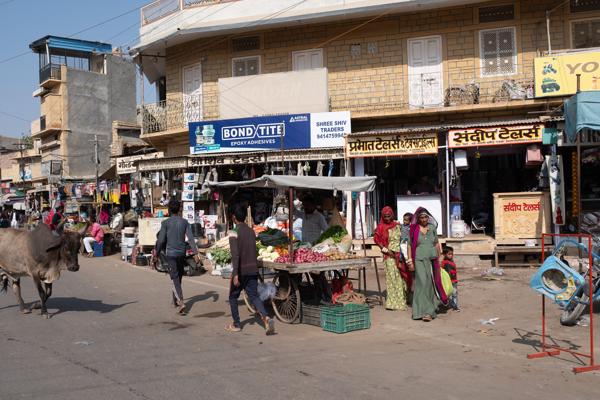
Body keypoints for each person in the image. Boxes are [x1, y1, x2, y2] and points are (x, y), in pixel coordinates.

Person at [225, 205, 275, 335]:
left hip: (241, 271)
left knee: (232, 297)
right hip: (253, 269)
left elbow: (235, 255)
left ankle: (236, 324)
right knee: (254, 296)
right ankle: (266, 317)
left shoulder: (233, 232)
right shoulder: (251, 231)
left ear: (234, 217)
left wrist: (235, 274)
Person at [155, 199, 199, 315]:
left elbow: (160, 240)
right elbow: (190, 238)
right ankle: (175, 300)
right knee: (178, 277)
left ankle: (181, 302)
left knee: (174, 277)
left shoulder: (166, 223)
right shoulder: (184, 222)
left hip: (171, 254)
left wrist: (156, 253)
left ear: (169, 210)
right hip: (181, 253)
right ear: (179, 209)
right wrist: (195, 253)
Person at [406, 208, 448, 322]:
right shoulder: (414, 229)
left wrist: (440, 257)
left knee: (430, 284)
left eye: (425, 217)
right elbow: (409, 245)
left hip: (432, 259)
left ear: (428, 218)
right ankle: (418, 311)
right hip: (419, 259)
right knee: (422, 282)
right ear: (418, 219)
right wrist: (409, 261)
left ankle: (429, 311)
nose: (424, 219)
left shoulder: (432, 228)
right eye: (421, 217)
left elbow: (436, 243)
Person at [295, 196, 330, 302]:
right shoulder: (303, 214)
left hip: (315, 250)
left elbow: (327, 231)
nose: (305, 207)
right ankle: (305, 294)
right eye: (304, 206)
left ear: (313, 206)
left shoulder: (319, 217)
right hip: (304, 249)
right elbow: (293, 212)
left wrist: (323, 244)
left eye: (308, 205)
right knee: (299, 273)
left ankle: (324, 296)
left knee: (318, 276)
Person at [373, 207, 408, 311]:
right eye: (385, 216)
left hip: (400, 255)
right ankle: (393, 304)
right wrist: (386, 251)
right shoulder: (380, 227)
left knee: (401, 279)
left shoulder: (398, 226)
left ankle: (402, 301)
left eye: (389, 216)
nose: (387, 218)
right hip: (389, 256)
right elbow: (377, 240)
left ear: (392, 215)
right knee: (392, 279)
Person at [442, 246, 459, 311]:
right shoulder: (444, 263)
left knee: (454, 293)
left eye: (452, 254)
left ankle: (455, 306)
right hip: (447, 282)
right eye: (449, 254)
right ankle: (448, 304)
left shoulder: (452, 262)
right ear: (444, 254)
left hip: (454, 281)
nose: (451, 256)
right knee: (448, 293)